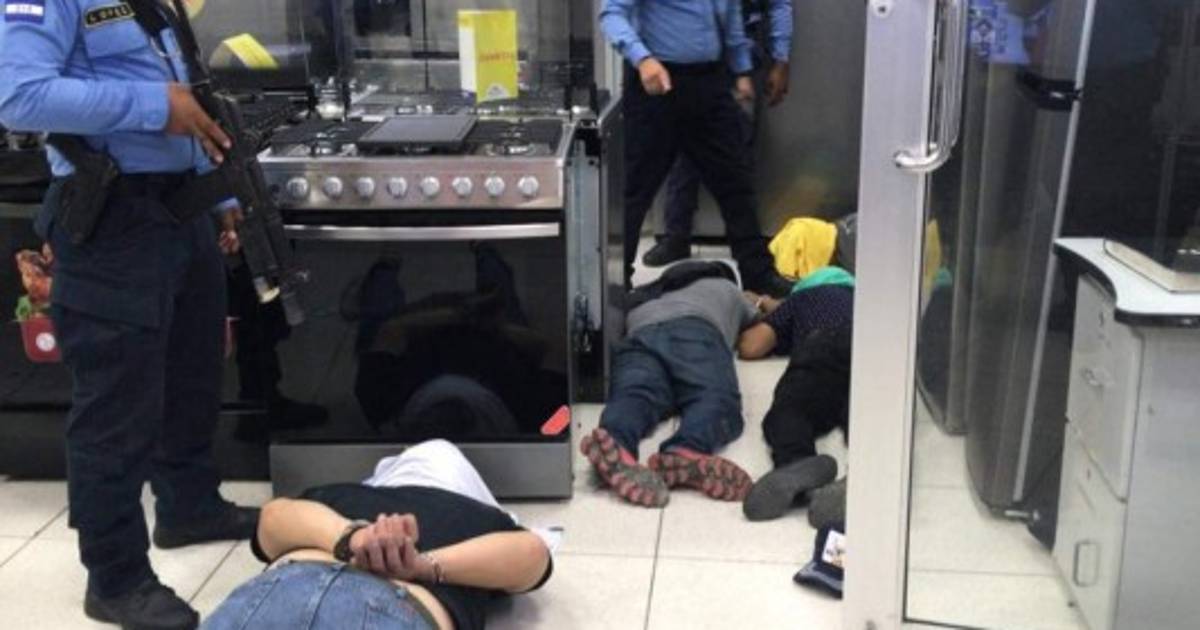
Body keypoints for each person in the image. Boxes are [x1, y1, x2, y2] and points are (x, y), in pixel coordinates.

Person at [0, 2, 260, 628]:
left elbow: (188, 98)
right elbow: (19, 97)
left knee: (192, 375)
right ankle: (115, 578)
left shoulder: (154, 4)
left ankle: (189, 507)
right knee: (115, 406)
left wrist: (218, 191)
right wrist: (151, 106)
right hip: (112, 217)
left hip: (182, 210)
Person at [202, 439, 553, 630]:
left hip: (290, 592)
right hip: (308, 594)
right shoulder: (339, 498)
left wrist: (422, 564)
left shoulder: (480, 517)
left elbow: (533, 555)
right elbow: (271, 521)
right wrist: (352, 537)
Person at [599, 0, 794, 297]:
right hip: (657, 82)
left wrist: (741, 69)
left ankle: (759, 275)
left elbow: (729, 14)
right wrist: (642, 58)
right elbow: (611, 14)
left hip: (710, 82)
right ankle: (614, 281)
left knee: (736, 182)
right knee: (635, 189)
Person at [581, 260, 763, 507]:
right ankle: (686, 448)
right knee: (714, 398)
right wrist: (760, 301)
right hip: (695, 330)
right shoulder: (728, 288)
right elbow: (763, 325)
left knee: (636, 395)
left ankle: (616, 438)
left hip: (639, 333)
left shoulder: (646, 294)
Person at [643, 0, 795, 268]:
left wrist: (781, 60)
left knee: (736, 154)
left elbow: (779, 5)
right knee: (684, 145)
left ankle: (745, 247)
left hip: (743, 53)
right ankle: (677, 235)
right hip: (691, 51)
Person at [737, 282, 853, 522]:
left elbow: (751, 346)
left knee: (791, 412)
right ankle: (865, 482)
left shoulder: (804, 297)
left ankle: (797, 463)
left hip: (823, 347)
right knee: (871, 418)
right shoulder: (872, 301)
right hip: (873, 353)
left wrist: (765, 307)